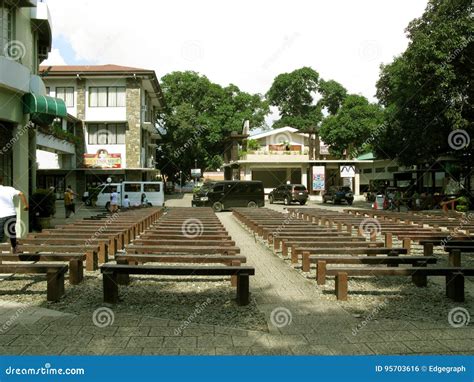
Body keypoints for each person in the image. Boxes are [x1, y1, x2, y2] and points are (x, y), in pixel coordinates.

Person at [0, 177, 29, 254]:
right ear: (2, 181)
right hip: (11, 214)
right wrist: (26, 205)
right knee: (12, 232)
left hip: (1, 215)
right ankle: (15, 248)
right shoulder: (9, 189)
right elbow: (21, 194)